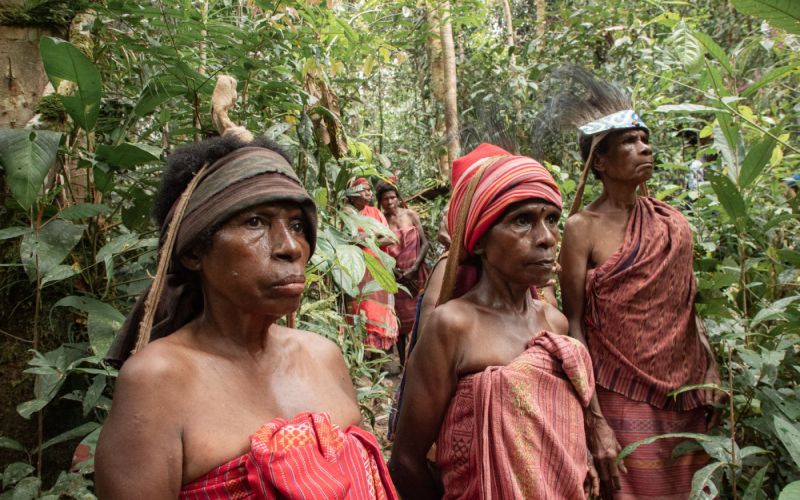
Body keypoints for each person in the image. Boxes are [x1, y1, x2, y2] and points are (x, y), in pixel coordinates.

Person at [96, 135, 397, 499]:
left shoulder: (324, 356)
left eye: (298, 225)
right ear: (194, 251)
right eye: (255, 222)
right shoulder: (157, 382)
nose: (289, 247)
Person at [545, 66, 720, 499]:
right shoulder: (581, 228)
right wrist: (594, 417)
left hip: (689, 390)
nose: (644, 147)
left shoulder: (672, 222)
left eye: (644, 138)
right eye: (629, 141)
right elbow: (575, 324)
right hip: (620, 391)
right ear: (599, 161)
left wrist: (711, 369)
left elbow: (688, 305)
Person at [389, 146, 596, 499]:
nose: (546, 237)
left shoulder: (555, 324)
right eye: (522, 221)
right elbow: (407, 461)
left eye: (551, 219)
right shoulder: (453, 326)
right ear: (481, 239)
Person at [377, 182, 429, 365]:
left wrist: (414, 269)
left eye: (392, 197)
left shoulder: (410, 215)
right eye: (385, 199)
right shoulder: (380, 221)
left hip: (416, 274)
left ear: (398, 198)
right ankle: (402, 364)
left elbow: (425, 243)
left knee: (421, 317)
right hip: (395, 278)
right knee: (400, 321)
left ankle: (419, 361)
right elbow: (378, 251)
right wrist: (396, 273)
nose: (390, 202)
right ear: (380, 202)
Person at [345, 177, 400, 350]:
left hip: (378, 269)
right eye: (364, 189)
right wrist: (373, 237)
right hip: (359, 269)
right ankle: (360, 356)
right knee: (361, 310)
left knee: (378, 312)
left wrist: (368, 239)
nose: (369, 192)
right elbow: (349, 238)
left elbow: (390, 238)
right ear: (352, 195)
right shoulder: (347, 213)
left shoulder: (376, 213)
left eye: (370, 189)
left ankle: (377, 360)